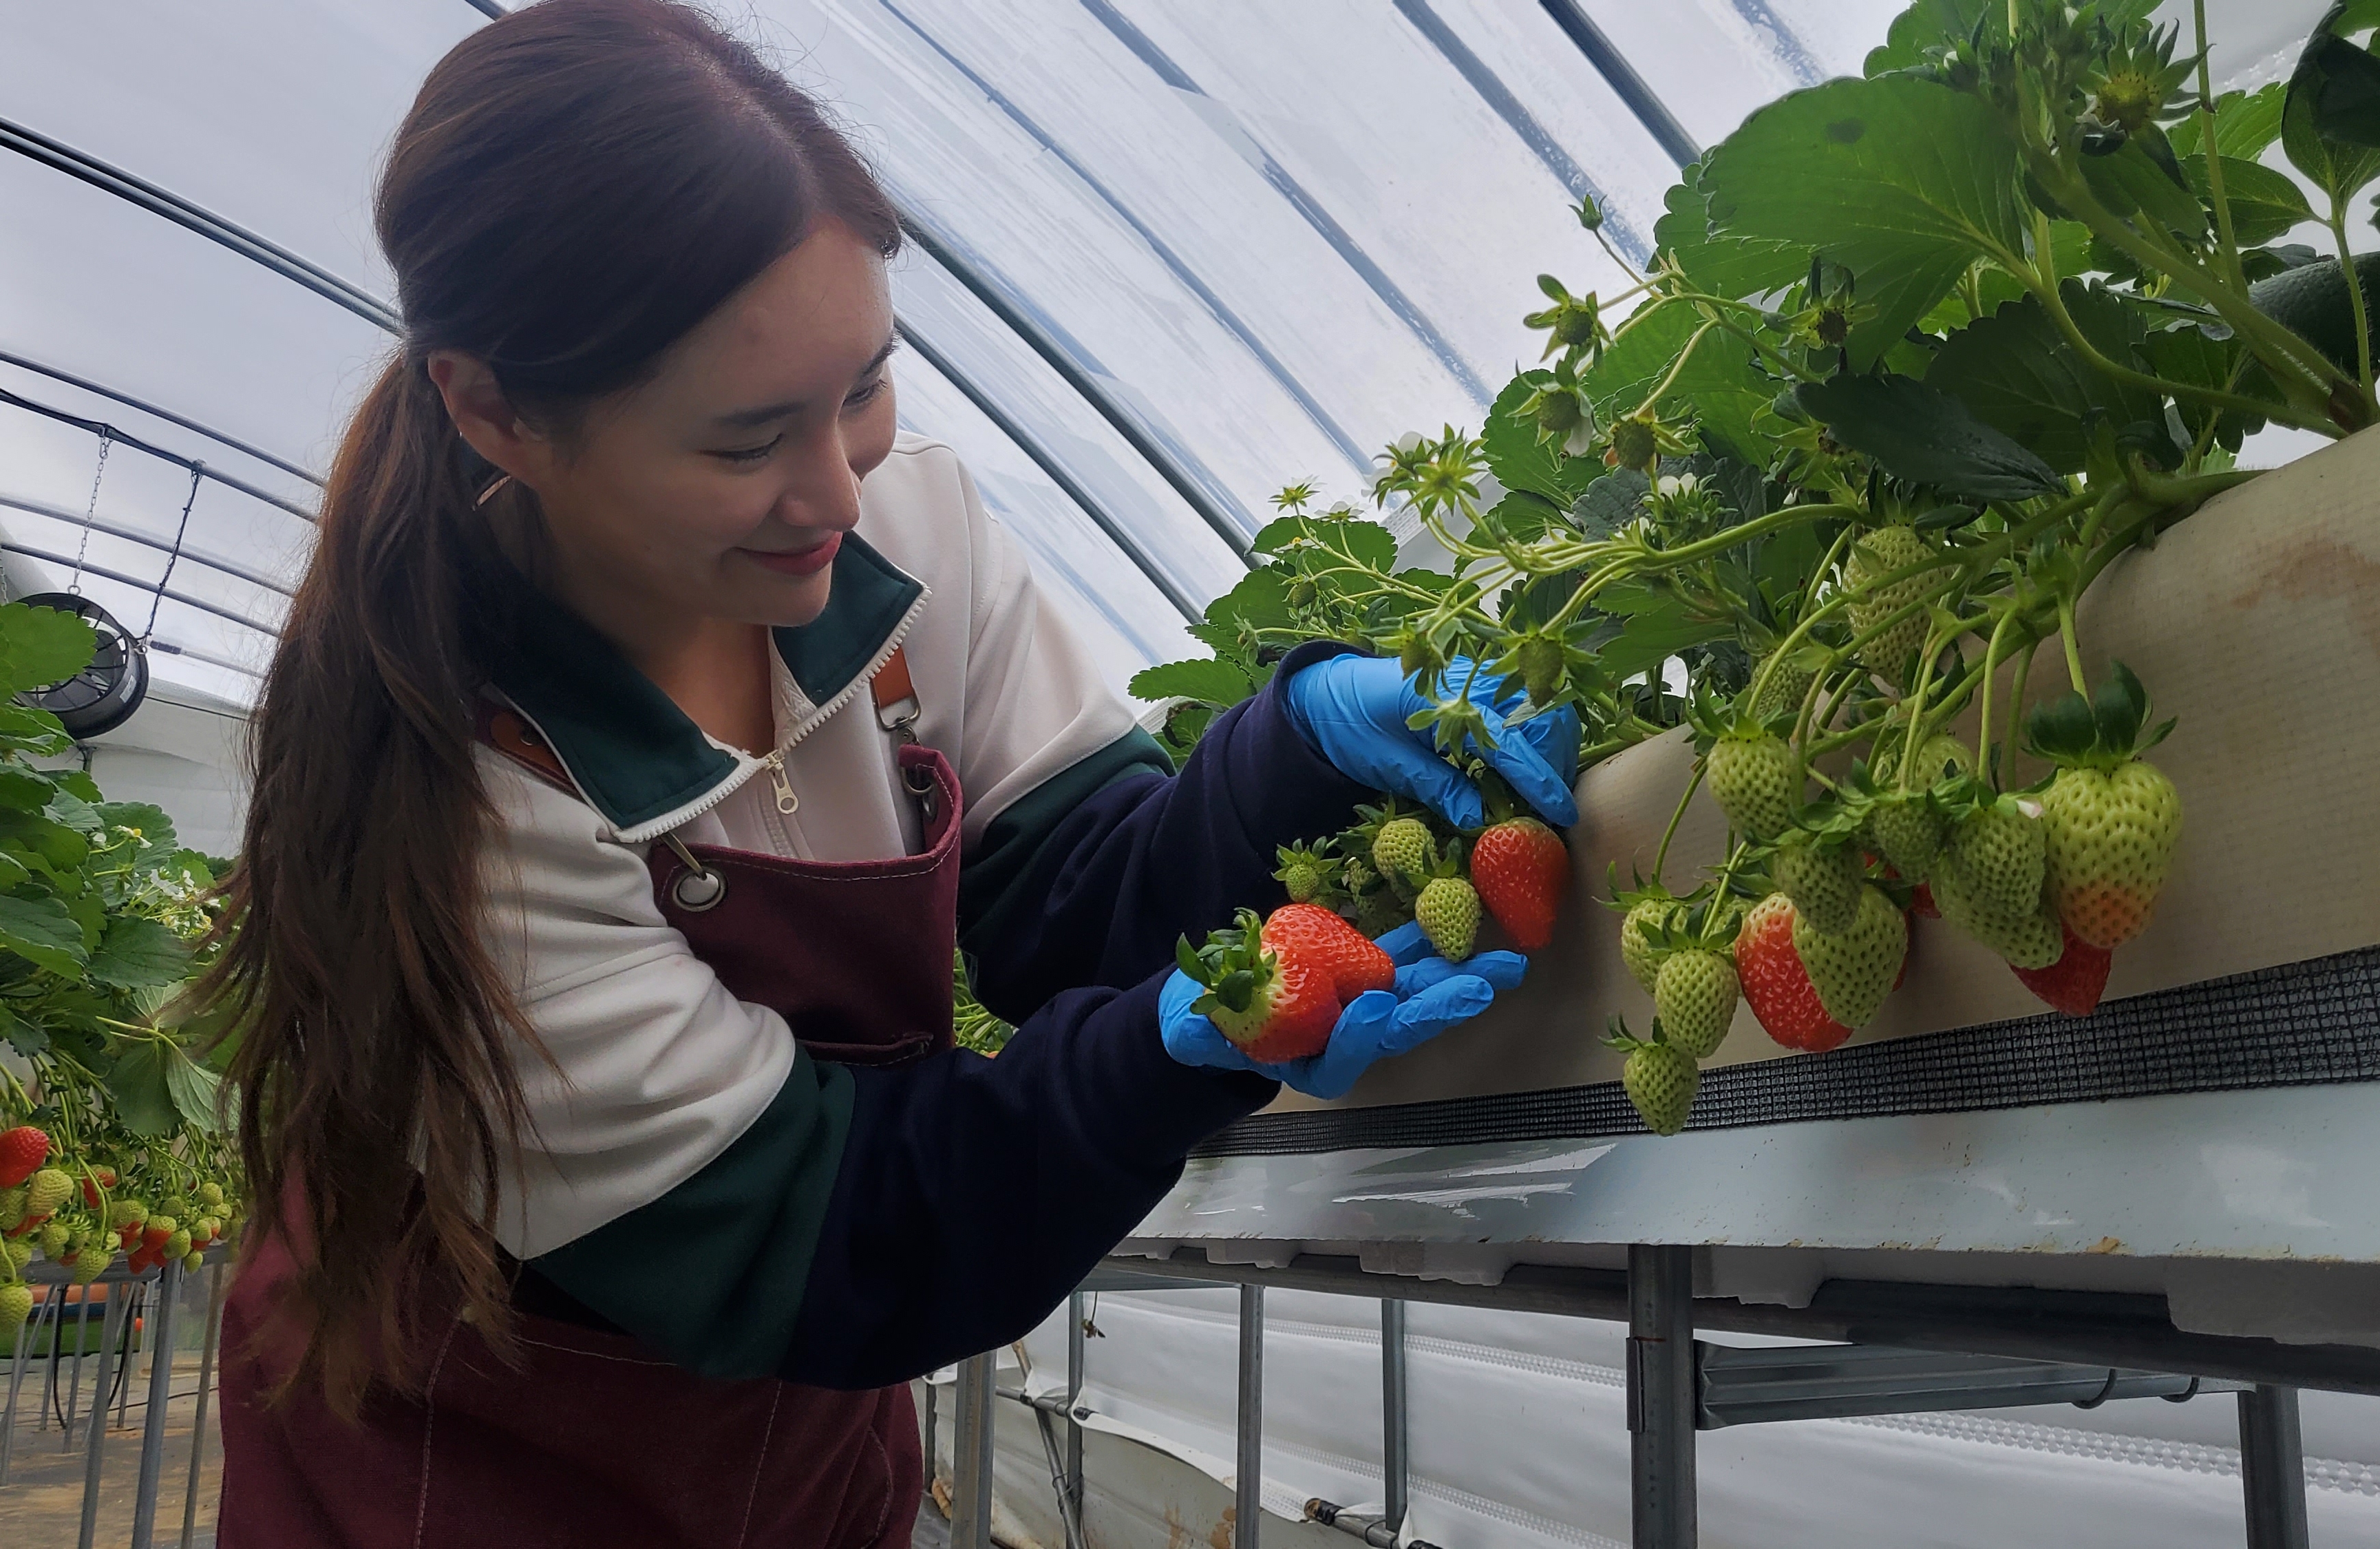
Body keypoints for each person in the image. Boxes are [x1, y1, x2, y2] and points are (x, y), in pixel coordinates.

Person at [197, 3, 1578, 1543]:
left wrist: (1286, 755)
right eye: (745, 443)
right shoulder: (463, 799)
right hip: (469, 1476)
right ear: (497, 411)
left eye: (862, 387)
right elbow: (835, 1238)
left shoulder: (904, 538)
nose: (834, 489)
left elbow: (1078, 898)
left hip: (794, 1459)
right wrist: (1173, 1051)